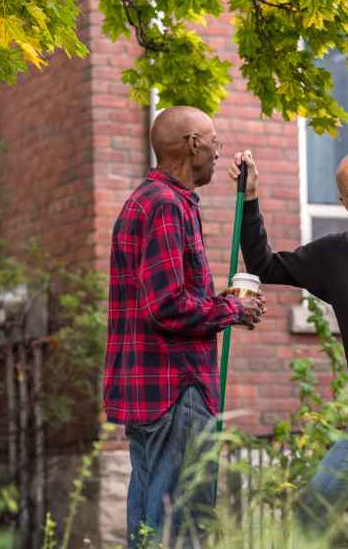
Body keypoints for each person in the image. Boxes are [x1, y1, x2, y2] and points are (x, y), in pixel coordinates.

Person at [104, 106, 266, 548]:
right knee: (181, 522)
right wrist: (232, 310)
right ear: (193, 142)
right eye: (214, 140)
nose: (219, 150)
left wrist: (222, 304)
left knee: (150, 519)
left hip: (156, 389)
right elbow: (167, 306)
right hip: (175, 388)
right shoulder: (165, 205)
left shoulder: (153, 201)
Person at [228, 150, 348, 528]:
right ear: (344, 205)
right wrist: (249, 198)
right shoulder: (336, 254)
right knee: (316, 505)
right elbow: (265, 265)